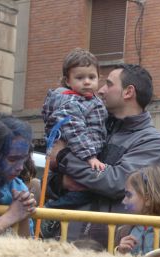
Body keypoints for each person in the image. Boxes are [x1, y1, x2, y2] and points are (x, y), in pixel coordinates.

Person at [51, 63, 160, 244]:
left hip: (108, 245)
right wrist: (59, 181)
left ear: (128, 92)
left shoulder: (152, 142)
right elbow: (55, 176)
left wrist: (63, 158)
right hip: (68, 236)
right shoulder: (94, 124)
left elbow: (117, 182)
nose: (101, 90)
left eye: (109, 84)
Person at [42, 49, 108, 212]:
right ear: (68, 81)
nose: (87, 82)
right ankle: (50, 213)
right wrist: (90, 156)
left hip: (80, 154)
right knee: (82, 192)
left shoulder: (89, 100)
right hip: (76, 154)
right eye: (80, 78)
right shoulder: (70, 102)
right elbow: (74, 130)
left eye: (91, 77)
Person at [0, 112, 37, 236]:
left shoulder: (18, 187)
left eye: (24, 158)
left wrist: (24, 212)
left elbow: (27, 246)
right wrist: (11, 216)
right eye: (12, 159)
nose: (20, 167)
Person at [114, 166, 160, 256]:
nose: (123, 201)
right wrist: (120, 252)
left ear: (148, 199)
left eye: (129, 195)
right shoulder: (124, 231)